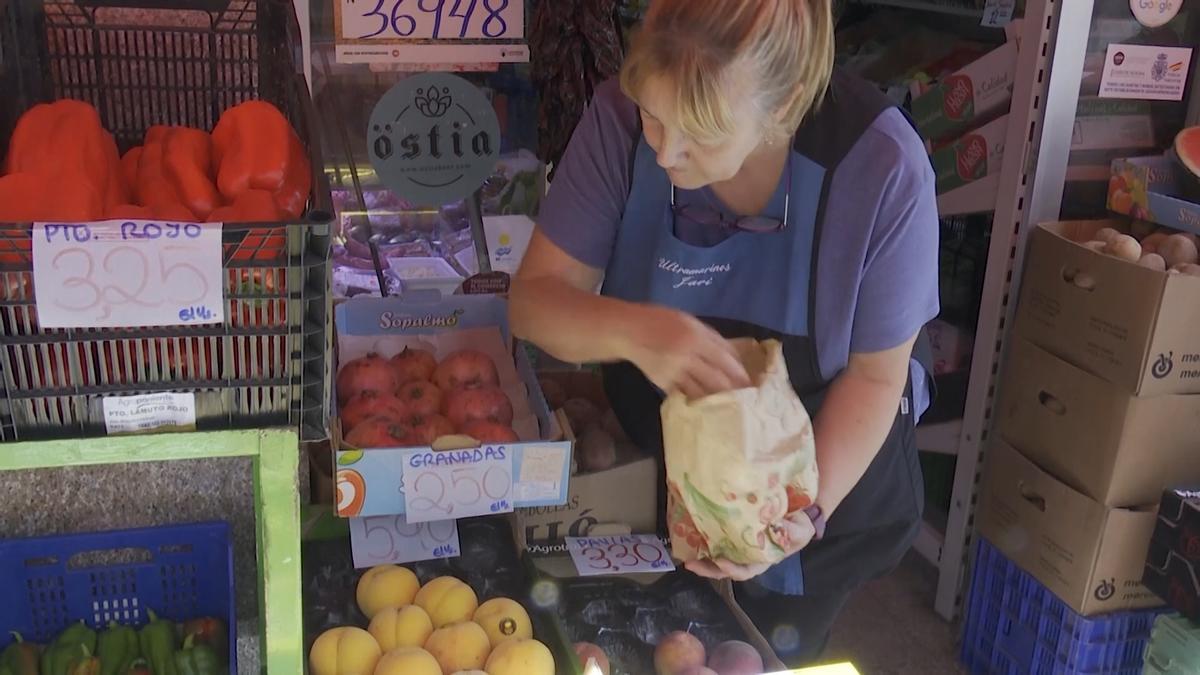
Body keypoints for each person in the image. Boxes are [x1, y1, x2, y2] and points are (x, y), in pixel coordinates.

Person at [510, 0, 939, 665]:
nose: (666, 150)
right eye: (654, 114)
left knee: (770, 651)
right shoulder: (617, 122)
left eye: (703, 132)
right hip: (668, 469)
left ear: (784, 104)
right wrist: (640, 331)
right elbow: (533, 304)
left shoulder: (880, 167)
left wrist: (803, 510)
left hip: (826, 465)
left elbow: (875, 378)